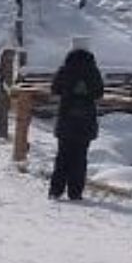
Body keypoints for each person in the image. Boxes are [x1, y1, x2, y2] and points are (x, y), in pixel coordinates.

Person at [49, 48, 105, 201]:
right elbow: (99, 93)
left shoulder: (65, 70)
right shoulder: (93, 72)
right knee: (80, 158)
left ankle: (56, 190)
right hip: (85, 121)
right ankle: (75, 192)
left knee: (62, 156)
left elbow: (55, 89)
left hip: (66, 118)